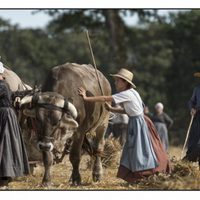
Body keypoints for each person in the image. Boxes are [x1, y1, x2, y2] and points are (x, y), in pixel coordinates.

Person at [78, 68, 170, 183]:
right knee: (136, 149)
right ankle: (138, 176)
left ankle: (143, 175)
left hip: (138, 124)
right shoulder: (133, 93)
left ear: (125, 83)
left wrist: (86, 98)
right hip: (140, 121)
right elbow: (131, 110)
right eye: (115, 80)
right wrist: (112, 109)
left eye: (117, 81)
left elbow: (105, 98)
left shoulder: (126, 94)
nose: (115, 83)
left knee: (139, 150)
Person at [0, 62, 30, 188]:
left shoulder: (2, 85)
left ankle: (5, 175)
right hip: (6, 115)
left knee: (5, 144)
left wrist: (18, 95)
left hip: (4, 116)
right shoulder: (4, 85)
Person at [183, 72, 200, 162]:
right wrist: (192, 108)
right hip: (197, 117)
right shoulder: (197, 89)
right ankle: (190, 159)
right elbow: (191, 101)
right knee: (194, 138)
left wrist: (197, 108)